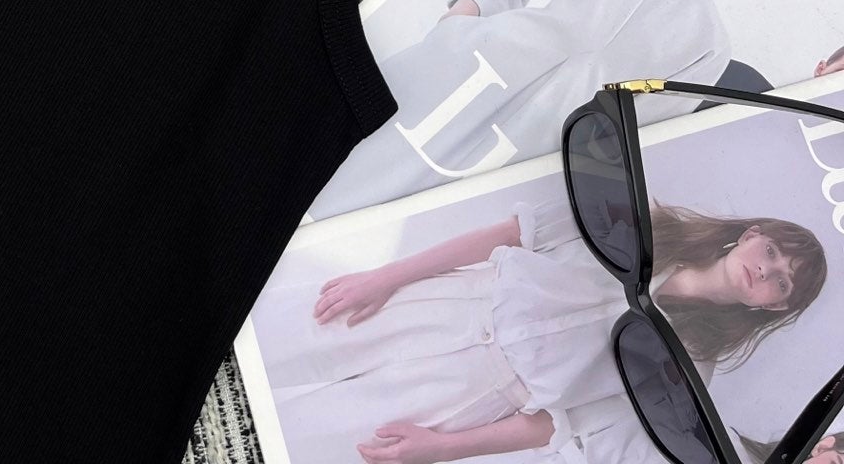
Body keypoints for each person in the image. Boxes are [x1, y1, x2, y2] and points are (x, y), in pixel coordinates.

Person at [306, 0, 786, 219]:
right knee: (341, 154)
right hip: (472, 69)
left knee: (386, 222)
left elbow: (640, 130)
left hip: (534, 141)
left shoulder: (710, 45)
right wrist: (457, 24)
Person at [254, 195, 825, 464]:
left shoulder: (692, 366)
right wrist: (387, 276)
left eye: (781, 283)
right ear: (751, 234)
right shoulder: (648, 224)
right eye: (771, 252)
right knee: (271, 339)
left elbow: (561, 422)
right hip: (448, 302)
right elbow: (510, 234)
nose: (766, 270)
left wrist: (442, 449)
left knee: (307, 441)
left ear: (774, 308)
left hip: (475, 394)